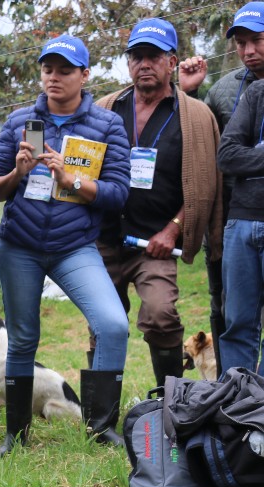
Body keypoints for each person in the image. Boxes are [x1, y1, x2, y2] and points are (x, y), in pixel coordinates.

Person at [0, 34, 131, 454]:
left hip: (74, 248)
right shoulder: (18, 122)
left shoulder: (107, 125)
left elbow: (119, 193)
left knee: (112, 325)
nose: (54, 77)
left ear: (85, 75)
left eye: (65, 70)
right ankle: (16, 434)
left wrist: (72, 181)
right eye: (48, 69)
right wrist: (17, 173)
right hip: (19, 246)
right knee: (24, 337)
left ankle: (101, 427)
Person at [95, 19, 223, 387]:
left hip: (156, 243)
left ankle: (174, 401)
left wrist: (174, 230)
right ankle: (99, 418)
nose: (144, 64)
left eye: (153, 56)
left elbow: (205, 184)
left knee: (161, 313)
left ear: (172, 62)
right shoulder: (107, 108)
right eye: (136, 57)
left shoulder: (195, 116)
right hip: (104, 239)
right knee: (102, 321)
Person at [179, 2, 264, 369]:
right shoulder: (229, 89)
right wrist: (190, 95)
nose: (248, 52)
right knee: (228, 313)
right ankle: (234, 403)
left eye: (257, 41)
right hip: (231, 218)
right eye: (241, 44)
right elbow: (213, 147)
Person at [216, 77, 264, 372]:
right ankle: (235, 408)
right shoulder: (257, 93)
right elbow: (227, 155)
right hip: (242, 221)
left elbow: (239, 154)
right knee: (236, 325)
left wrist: (253, 156)